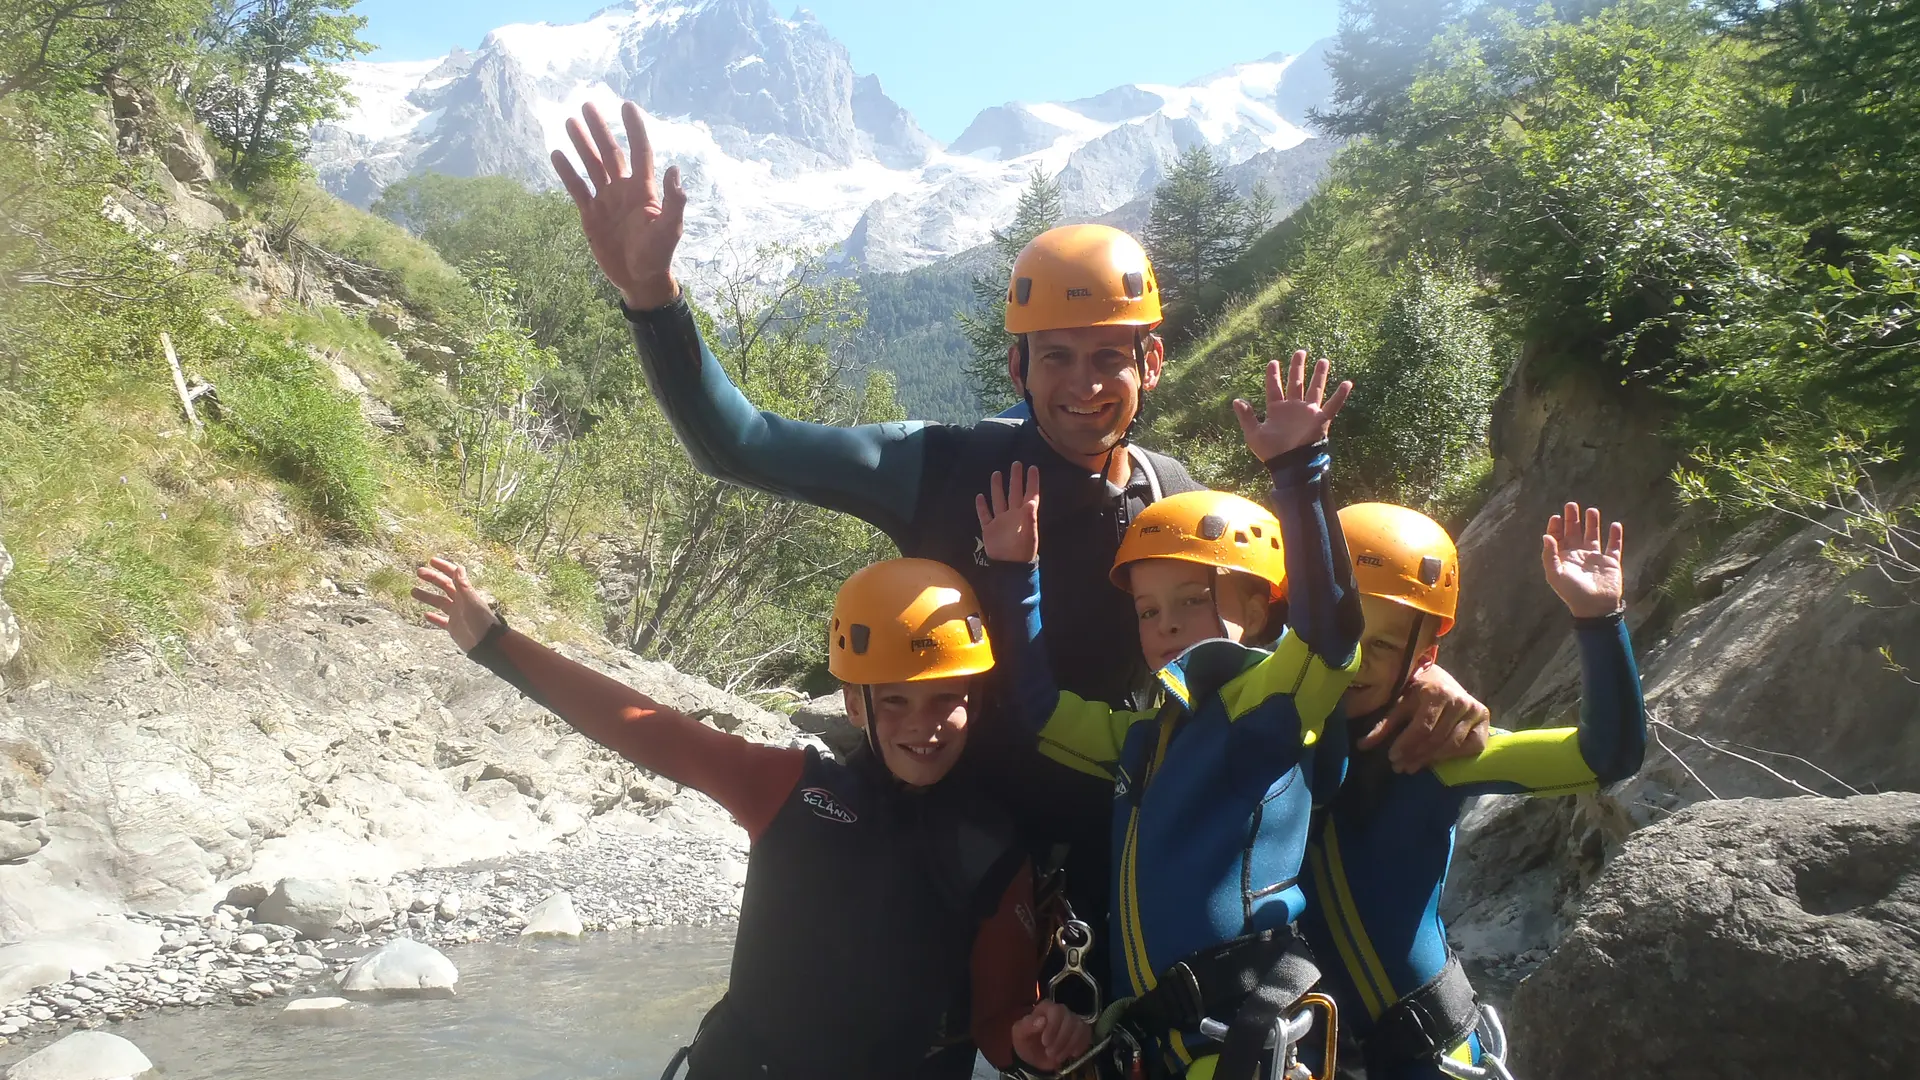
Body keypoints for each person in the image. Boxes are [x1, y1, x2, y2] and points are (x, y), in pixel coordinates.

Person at [549, 98, 1494, 974]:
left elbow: (1307, 644)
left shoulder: (1178, 500)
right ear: (1017, 363)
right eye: (1056, 357)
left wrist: (1424, 676)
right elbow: (741, 445)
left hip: (1125, 859)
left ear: (1152, 362)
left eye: (1109, 357)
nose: (1084, 383)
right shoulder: (942, 468)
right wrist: (654, 295)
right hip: (961, 853)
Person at [410, 555, 1093, 1079]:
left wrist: (1034, 1039)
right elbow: (645, 728)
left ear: (973, 699)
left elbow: (998, 1020)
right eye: (896, 703)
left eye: (947, 699)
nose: (927, 726)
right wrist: (495, 642)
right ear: (855, 705)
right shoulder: (789, 787)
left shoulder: (995, 850)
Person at [979, 353, 1364, 1080]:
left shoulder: (1272, 701)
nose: (1167, 626)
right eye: (1150, 611)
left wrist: (1299, 470)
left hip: (1246, 1037)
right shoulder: (1144, 737)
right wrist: (1015, 574)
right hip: (1165, 1041)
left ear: (1259, 609)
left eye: (1193, 601)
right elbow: (1040, 711)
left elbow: (1332, 634)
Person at [1298, 503, 1647, 1080]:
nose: (1357, 659)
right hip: (1307, 1052)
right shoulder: (1260, 735)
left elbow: (1607, 756)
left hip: (1432, 1051)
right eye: (1347, 632)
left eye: (1385, 645)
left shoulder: (1438, 755)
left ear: (1424, 657)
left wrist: (1598, 619)